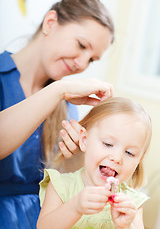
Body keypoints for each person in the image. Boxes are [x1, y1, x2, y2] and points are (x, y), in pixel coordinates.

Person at [0, 0, 115, 229]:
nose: (82, 64)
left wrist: (79, 156)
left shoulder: (66, 105)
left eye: (91, 59)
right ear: (50, 22)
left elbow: (65, 181)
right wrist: (59, 90)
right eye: (81, 45)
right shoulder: (60, 92)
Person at [37, 97, 152, 229]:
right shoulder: (61, 186)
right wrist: (74, 207)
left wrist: (126, 226)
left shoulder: (132, 202)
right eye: (108, 144)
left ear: (138, 161)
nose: (117, 158)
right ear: (85, 140)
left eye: (130, 153)